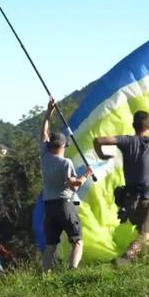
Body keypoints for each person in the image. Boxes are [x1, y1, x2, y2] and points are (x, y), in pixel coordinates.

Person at [93, 110, 149, 265]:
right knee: (146, 234)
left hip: (129, 202)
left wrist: (102, 155)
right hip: (147, 199)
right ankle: (127, 257)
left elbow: (98, 140)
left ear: (133, 125)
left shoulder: (126, 141)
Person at [40, 98, 93, 272]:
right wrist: (86, 174)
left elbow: (44, 133)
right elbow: (75, 185)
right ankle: (72, 271)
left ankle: (45, 276)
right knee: (77, 241)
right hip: (64, 204)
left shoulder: (45, 156)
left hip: (48, 205)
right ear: (63, 145)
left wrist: (49, 112)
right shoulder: (65, 163)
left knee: (51, 246)